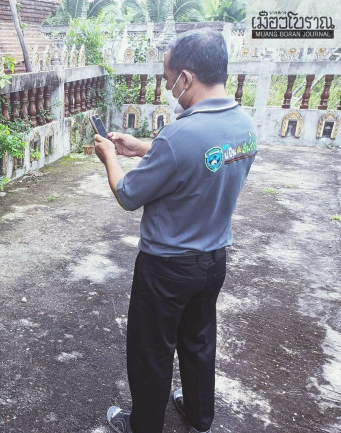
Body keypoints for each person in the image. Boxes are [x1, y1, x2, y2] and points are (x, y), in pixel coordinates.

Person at [94, 28, 257, 433]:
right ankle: (200, 415)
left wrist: (110, 156)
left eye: (168, 79)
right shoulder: (244, 124)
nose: (168, 87)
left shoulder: (181, 134)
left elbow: (129, 193)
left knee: (152, 349)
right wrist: (143, 146)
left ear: (185, 78)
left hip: (166, 267)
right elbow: (206, 157)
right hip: (213, 259)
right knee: (199, 341)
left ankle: (144, 426)